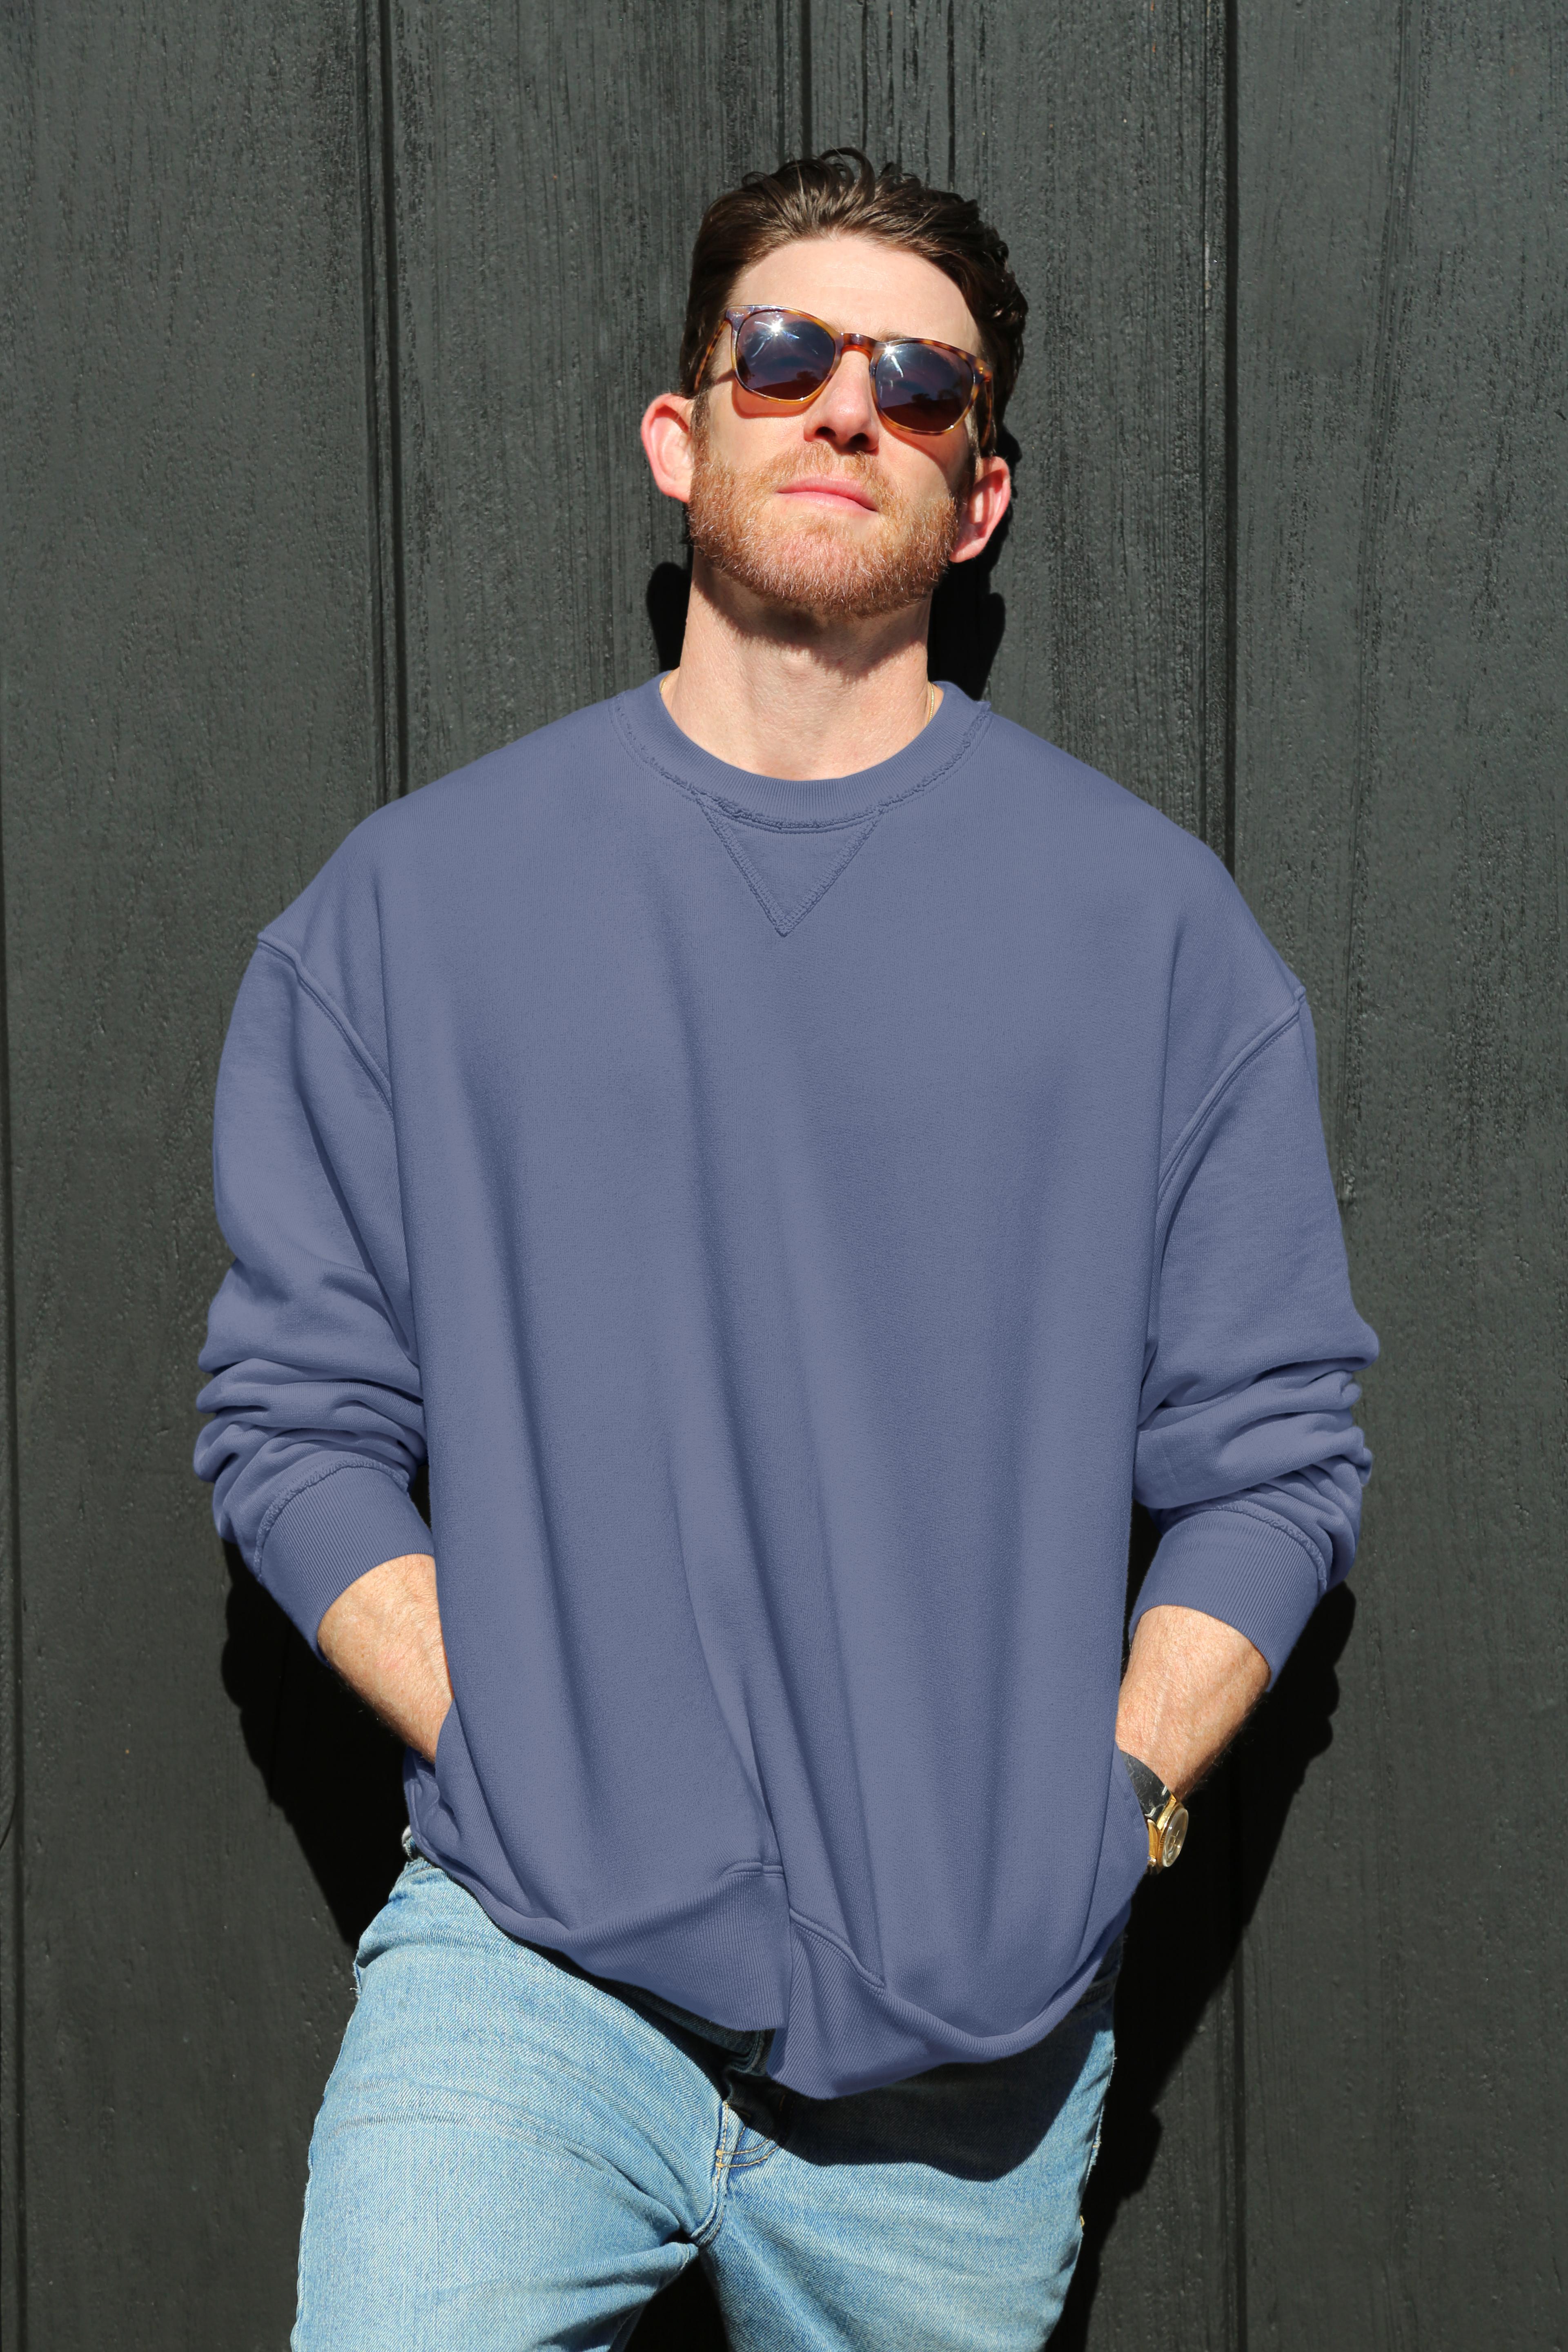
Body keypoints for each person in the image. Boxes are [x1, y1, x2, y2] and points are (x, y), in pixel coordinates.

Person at [194, 149, 1376, 2350]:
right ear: (683, 435)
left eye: (920, 384)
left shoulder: (1152, 940)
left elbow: (1274, 1453)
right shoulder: (415, 912)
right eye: (785, 354)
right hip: (528, 1973)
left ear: (983, 496)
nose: (849, 406)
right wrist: (521, 1747)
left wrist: (1101, 1805)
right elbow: (293, 1420)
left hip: (971, 2054)